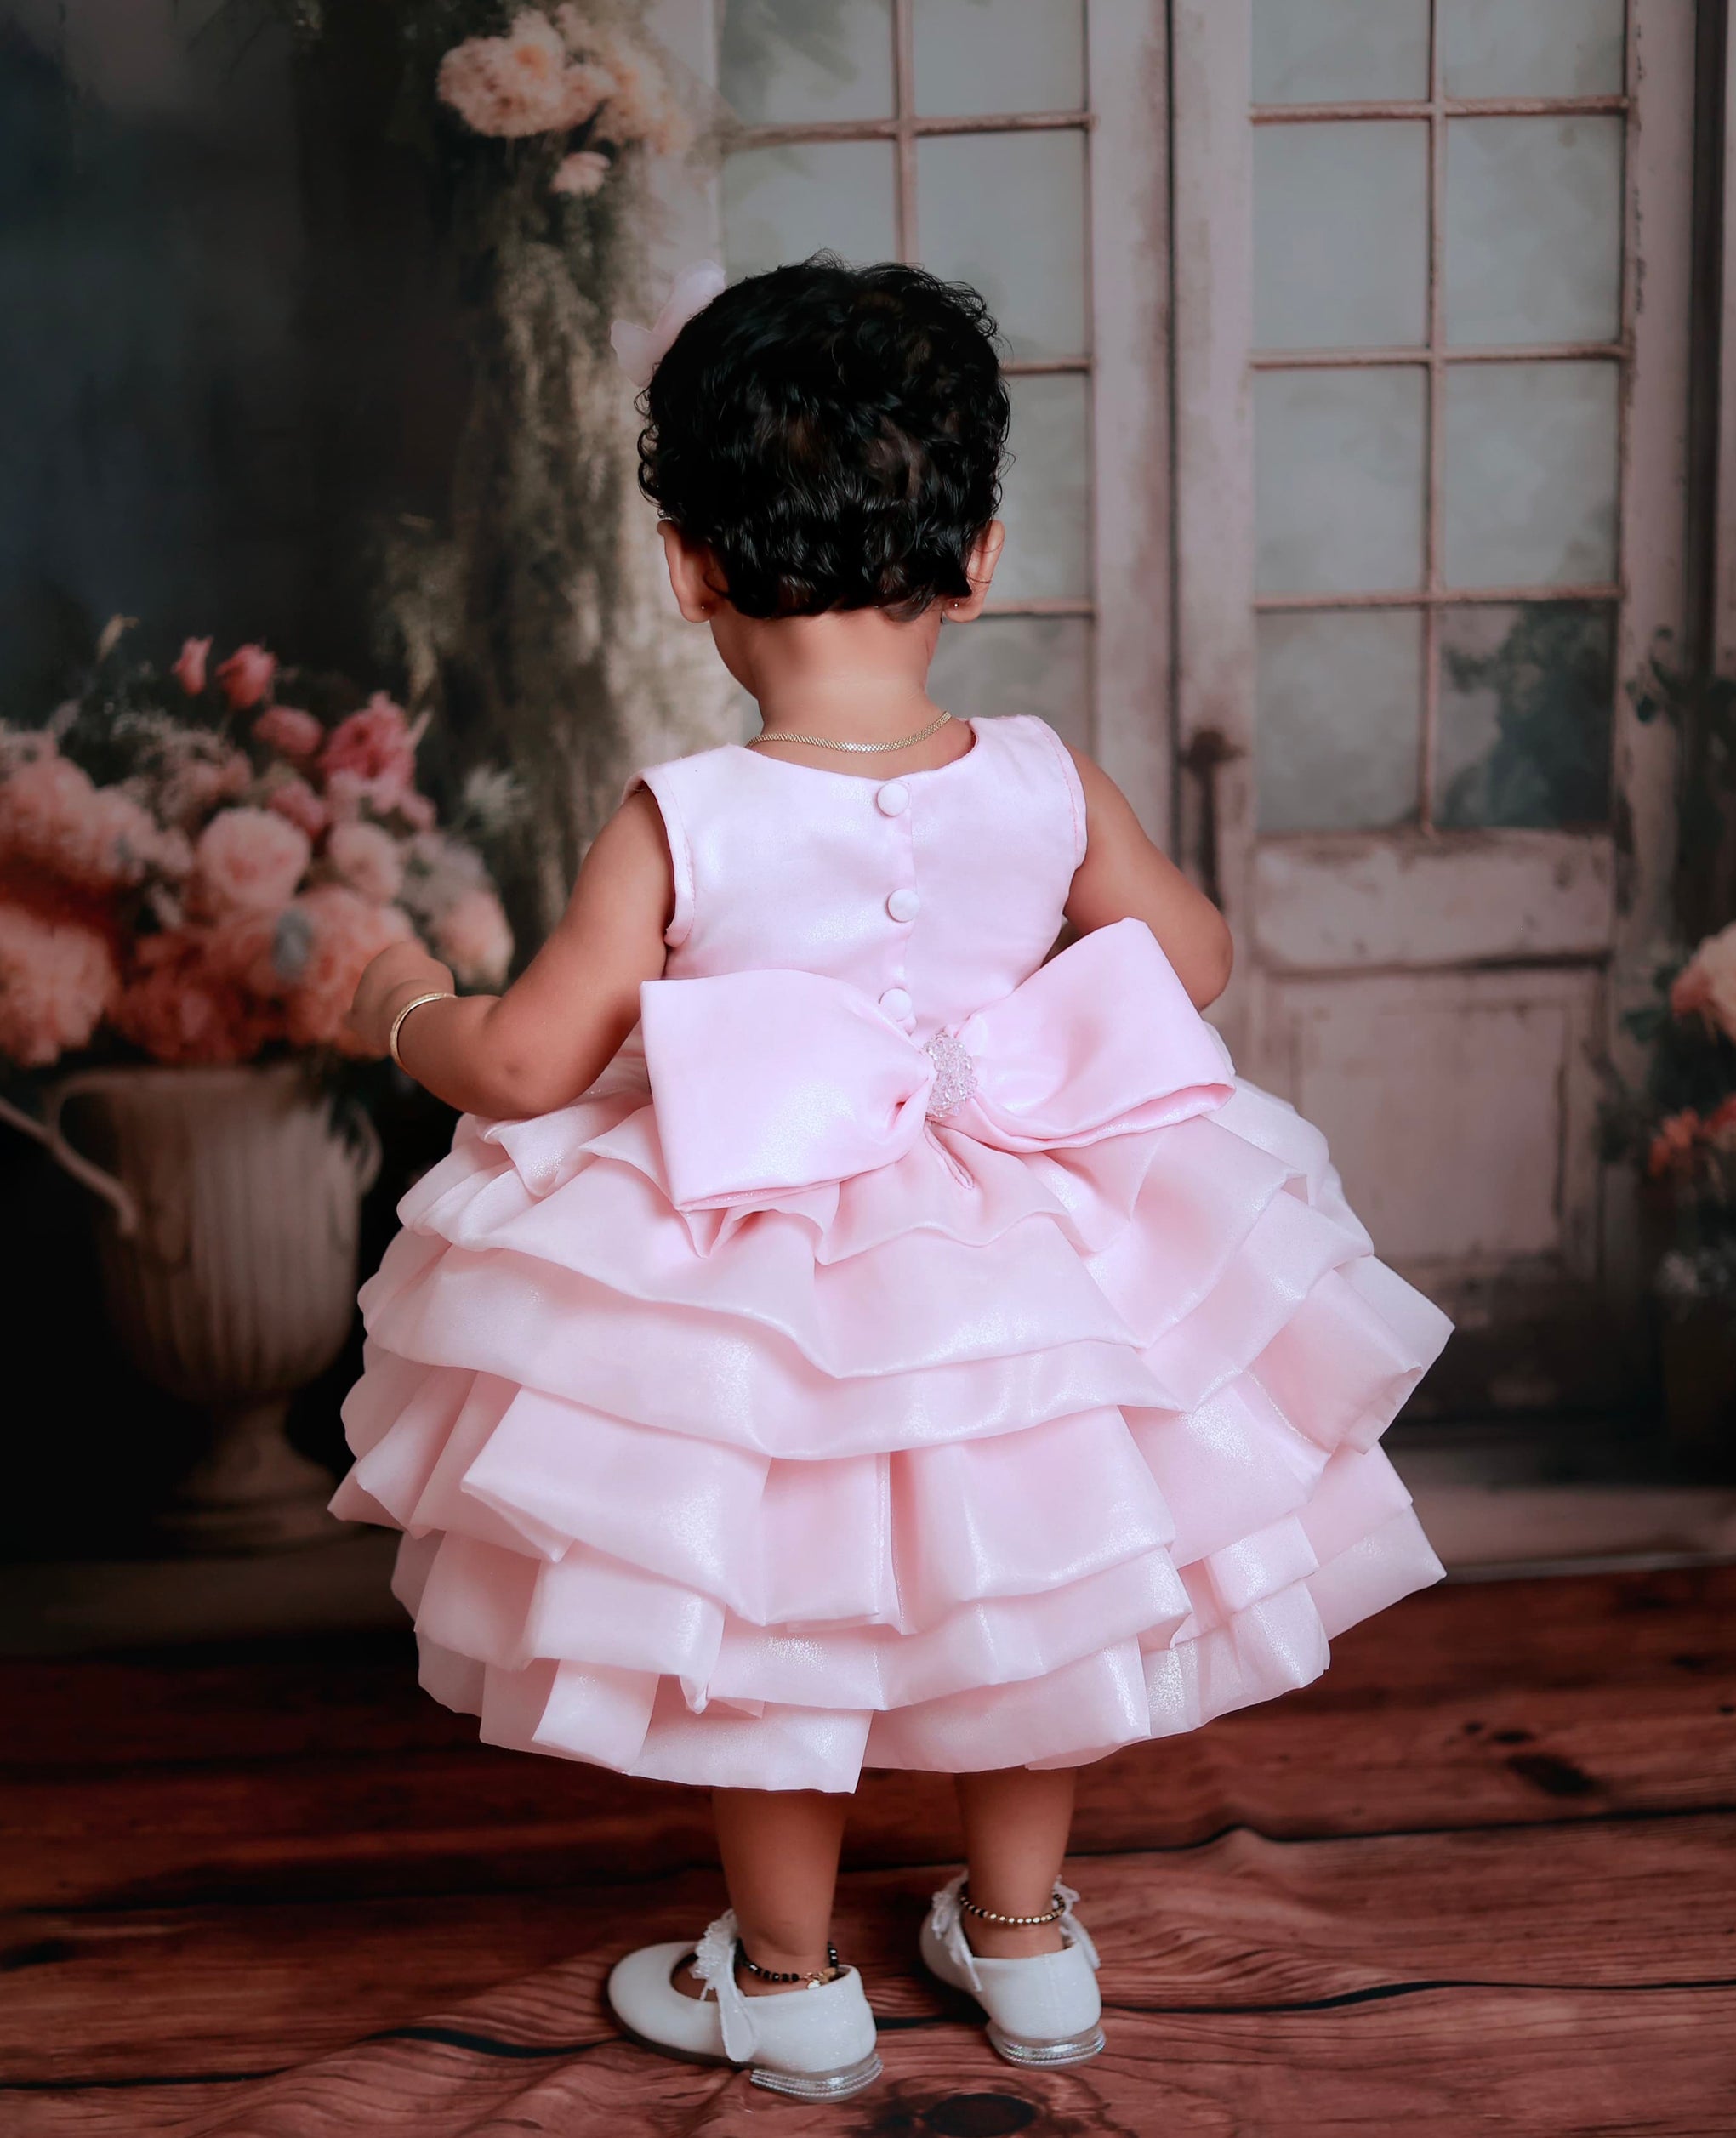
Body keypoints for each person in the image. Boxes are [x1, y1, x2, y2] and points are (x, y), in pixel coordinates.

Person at [339, 255, 1452, 2102]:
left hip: (758, 1267)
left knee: (777, 1612)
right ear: (980, 557)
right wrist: (998, 1018)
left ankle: (788, 1980)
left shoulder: (685, 814)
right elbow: (1186, 956)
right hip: (1020, 1252)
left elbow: (525, 1063)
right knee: (1036, 1573)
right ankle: (1021, 1940)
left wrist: (396, 1001)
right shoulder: (1043, 775)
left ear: (687, 566)